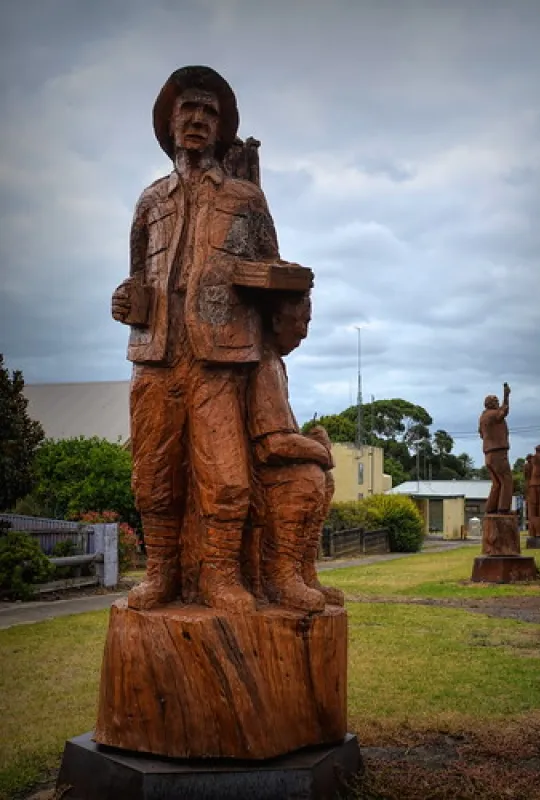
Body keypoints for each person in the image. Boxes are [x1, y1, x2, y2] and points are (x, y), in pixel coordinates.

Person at [111, 66, 310, 611]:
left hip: (220, 356)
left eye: (208, 113)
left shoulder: (246, 198)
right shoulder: (150, 201)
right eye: (187, 111)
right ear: (170, 125)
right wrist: (124, 301)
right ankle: (162, 575)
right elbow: (137, 277)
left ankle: (221, 575)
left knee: (225, 477)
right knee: (153, 474)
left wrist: (284, 291)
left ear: (221, 128)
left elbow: (273, 275)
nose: (198, 120)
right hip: (156, 356)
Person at [246, 293, 344, 612]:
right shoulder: (262, 363)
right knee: (307, 479)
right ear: (276, 321)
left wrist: (312, 443)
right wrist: (318, 450)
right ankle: (280, 575)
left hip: (268, 465)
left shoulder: (275, 363)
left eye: (308, 322)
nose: (303, 331)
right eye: (299, 321)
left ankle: (304, 572)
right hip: (257, 471)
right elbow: (272, 443)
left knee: (321, 480)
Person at [478, 383, 513, 514]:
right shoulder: (493, 415)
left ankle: (491, 507)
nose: (498, 403)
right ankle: (503, 508)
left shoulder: (482, 418)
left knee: (497, 483)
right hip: (498, 451)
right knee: (506, 480)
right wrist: (506, 395)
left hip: (488, 454)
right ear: (490, 404)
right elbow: (504, 411)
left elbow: (481, 434)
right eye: (496, 401)